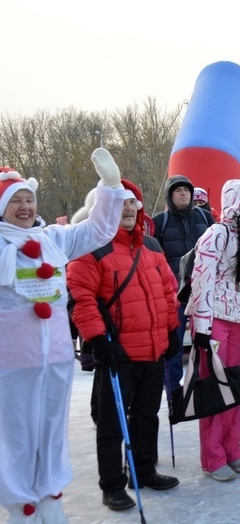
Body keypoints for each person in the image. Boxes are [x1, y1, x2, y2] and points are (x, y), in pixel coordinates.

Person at [0, 149, 124, 523]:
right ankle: (20, 506)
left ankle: (49, 498)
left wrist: (110, 187)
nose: (24, 207)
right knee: (15, 436)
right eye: (15, 201)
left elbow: (98, 230)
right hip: (11, 363)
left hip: (54, 358)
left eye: (29, 199)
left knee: (52, 431)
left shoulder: (54, 238)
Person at [68, 179, 180, 511]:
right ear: (103, 210)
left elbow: (167, 292)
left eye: (132, 203)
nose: (128, 209)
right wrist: (97, 339)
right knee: (112, 422)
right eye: (120, 204)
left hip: (154, 347)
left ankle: (144, 471)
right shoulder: (92, 247)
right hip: (118, 352)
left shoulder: (152, 246)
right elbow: (82, 299)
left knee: (147, 415)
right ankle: (113, 484)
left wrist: (172, 330)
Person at [186, 180, 240, 481]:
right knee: (213, 388)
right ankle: (213, 457)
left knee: (232, 385)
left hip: (233, 318)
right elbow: (201, 278)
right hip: (213, 318)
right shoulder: (216, 233)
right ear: (237, 204)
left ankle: (233, 451)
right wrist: (202, 326)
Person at [152, 175, 215, 392]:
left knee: (205, 341)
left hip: (203, 291)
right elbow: (154, 259)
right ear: (170, 195)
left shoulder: (205, 218)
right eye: (177, 190)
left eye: (186, 190)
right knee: (174, 344)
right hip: (174, 294)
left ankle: (204, 385)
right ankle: (173, 391)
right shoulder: (160, 222)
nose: (183, 194)